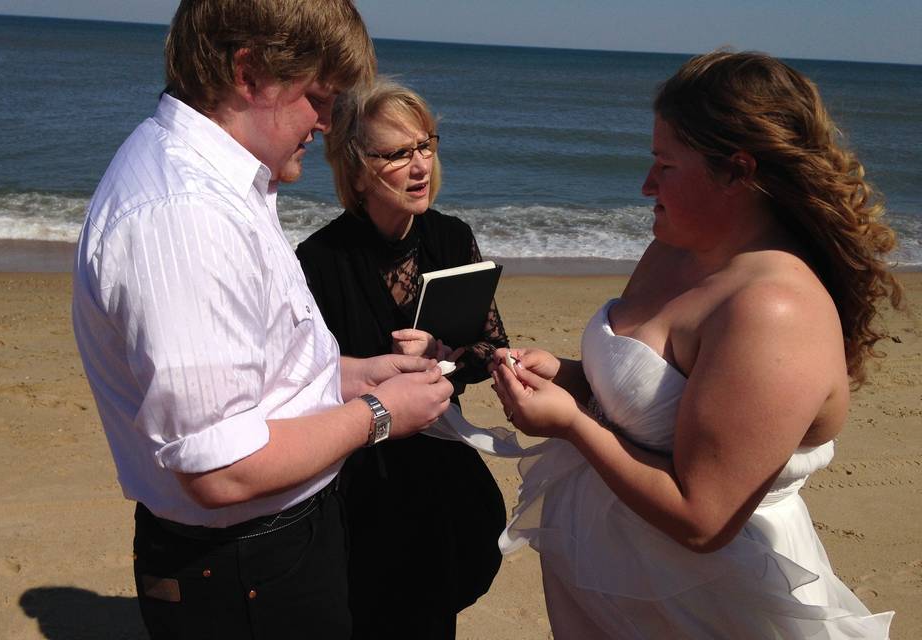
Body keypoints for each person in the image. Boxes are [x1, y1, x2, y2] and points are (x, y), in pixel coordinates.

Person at [71, 2, 453, 638]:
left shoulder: (222, 184)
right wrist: (380, 415)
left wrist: (351, 374)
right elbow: (221, 469)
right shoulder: (184, 213)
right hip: (247, 561)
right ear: (249, 73)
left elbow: (251, 365)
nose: (330, 124)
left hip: (266, 548)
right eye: (317, 98)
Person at [491, 50, 900, 639]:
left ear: (736, 171)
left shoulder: (773, 310)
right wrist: (572, 377)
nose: (645, 184)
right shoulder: (674, 247)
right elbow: (656, 393)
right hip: (611, 571)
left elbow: (705, 520)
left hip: (709, 601)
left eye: (665, 165)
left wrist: (573, 425)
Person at [295, 77, 508, 639]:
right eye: (397, 154)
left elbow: (491, 348)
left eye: (425, 146)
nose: (420, 167)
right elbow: (303, 381)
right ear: (358, 167)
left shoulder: (452, 237)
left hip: (440, 469)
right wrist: (376, 371)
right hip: (358, 477)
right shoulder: (318, 260)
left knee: (434, 615)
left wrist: (446, 359)